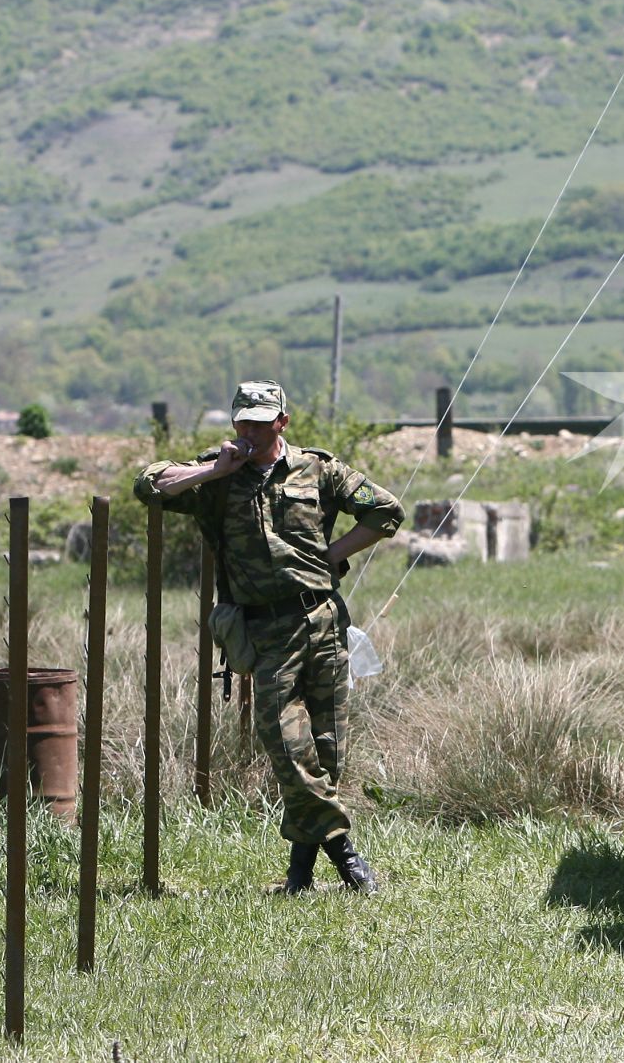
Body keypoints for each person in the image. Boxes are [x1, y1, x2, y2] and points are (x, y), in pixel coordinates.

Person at [134, 380, 404, 893]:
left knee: (326, 750)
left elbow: (385, 512)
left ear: (282, 421)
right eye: (243, 421)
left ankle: (300, 875)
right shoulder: (216, 474)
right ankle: (344, 850)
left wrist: (329, 556)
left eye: (262, 421)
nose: (251, 431)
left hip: (322, 620)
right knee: (284, 742)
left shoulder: (317, 468)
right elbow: (147, 485)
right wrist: (216, 469)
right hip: (264, 628)